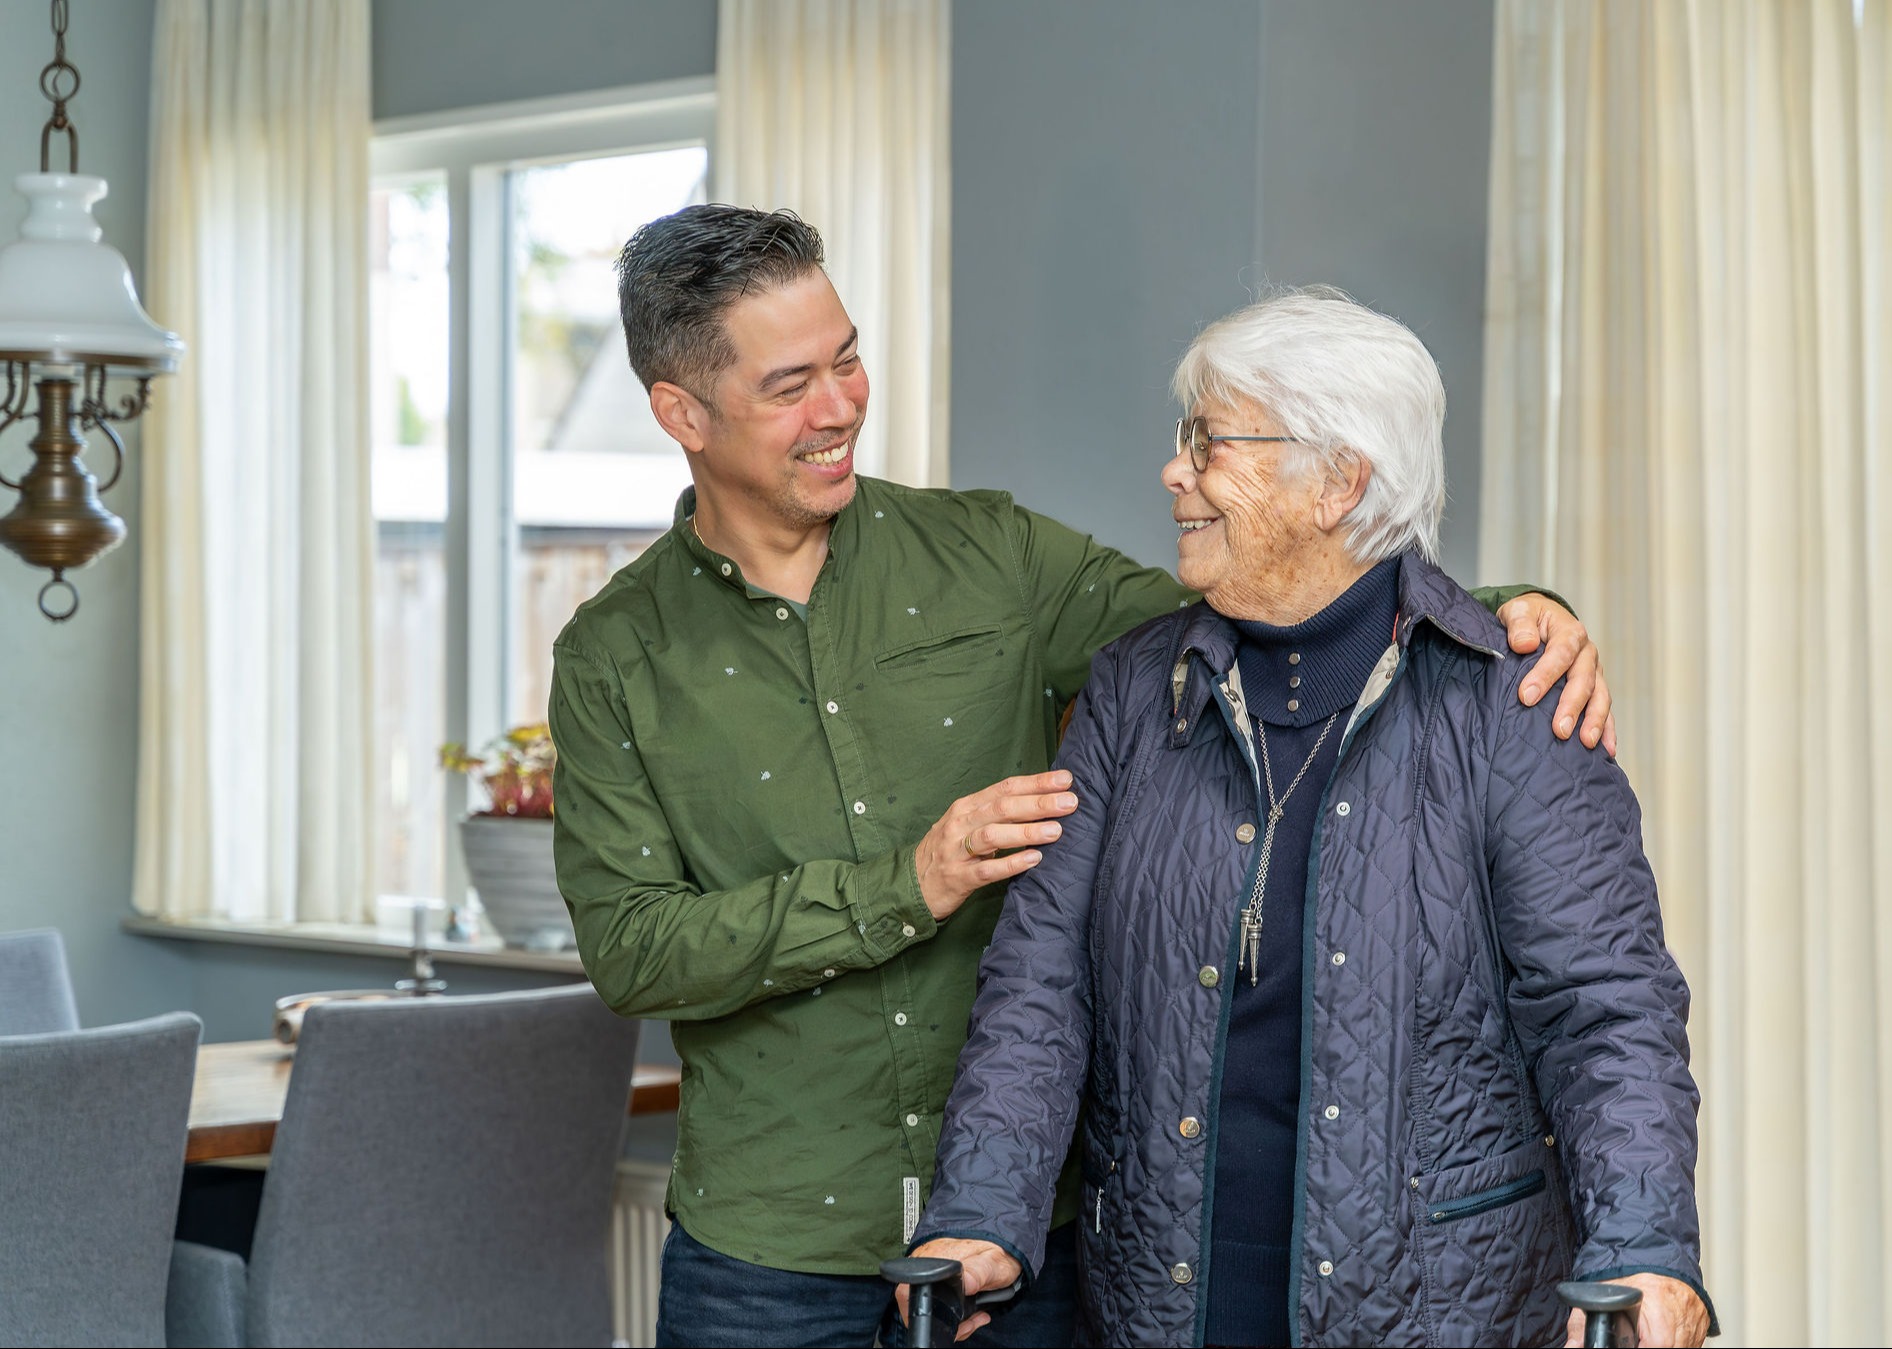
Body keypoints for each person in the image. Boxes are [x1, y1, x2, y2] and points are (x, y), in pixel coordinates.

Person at [550, 207, 1617, 1349]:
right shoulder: (614, 655)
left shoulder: (991, 557)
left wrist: (1501, 612)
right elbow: (633, 950)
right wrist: (904, 884)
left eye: (849, 359)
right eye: (790, 384)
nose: (840, 407)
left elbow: (1272, 607)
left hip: (1029, 1242)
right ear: (680, 413)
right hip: (768, 1256)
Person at [905, 288, 1714, 1348]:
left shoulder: (1510, 702)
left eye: (1208, 443)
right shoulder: (1130, 691)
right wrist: (978, 1215)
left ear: (1339, 481)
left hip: (1435, 1304)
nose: (1172, 472)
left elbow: (1605, 1009)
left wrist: (1643, 1248)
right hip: (1161, 1299)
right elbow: (1040, 985)